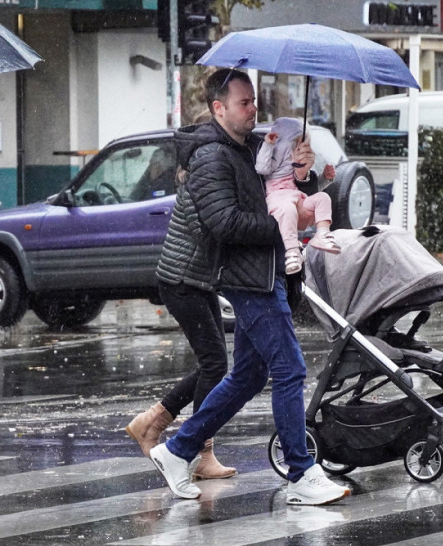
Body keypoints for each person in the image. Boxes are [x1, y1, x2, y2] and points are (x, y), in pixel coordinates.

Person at [148, 69, 351, 506]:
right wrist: (286, 228)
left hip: (267, 271)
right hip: (248, 278)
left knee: (247, 375)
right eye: (244, 103)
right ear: (218, 108)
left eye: (254, 101)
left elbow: (284, 192)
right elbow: (223, 223)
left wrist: (303, 172)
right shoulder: (211, 157)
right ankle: (300, 473)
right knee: (290, 369)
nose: (253, 109)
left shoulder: (250, 148)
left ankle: (178, 449)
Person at [125, 124, 234, 481]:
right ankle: (199, 450)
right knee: (215, 363)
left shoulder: (200, 178)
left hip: (195, 280)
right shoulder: (199, 184)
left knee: (213, 364)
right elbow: (213, 230)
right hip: (181, 281)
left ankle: (153, 421)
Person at [255, 117, 341, 274]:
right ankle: (292, 250)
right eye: (297, 142)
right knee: (287, 210)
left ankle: (322, 233)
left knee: (323, 198)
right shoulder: (277, 154)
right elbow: (262, 167)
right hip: (279, 198)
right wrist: (268, 145)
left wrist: (324, 179)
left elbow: (310, 188)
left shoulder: (299, 161)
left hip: (297, 197)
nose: (301, 148)